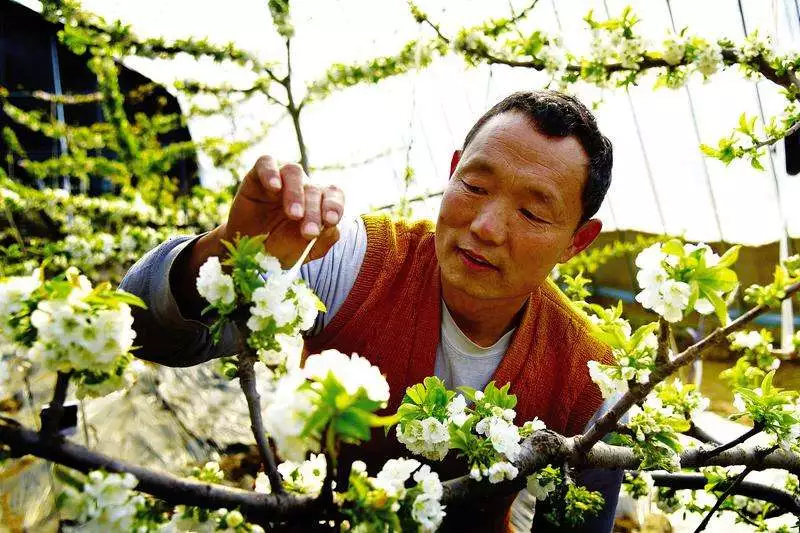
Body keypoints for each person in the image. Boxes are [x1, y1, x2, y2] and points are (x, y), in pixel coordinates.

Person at [120, 90, 621, 532]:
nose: (487, 227)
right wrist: (230, 255)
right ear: (451, 172)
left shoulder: (589, 376)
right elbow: (147, 333)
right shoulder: (351, 260)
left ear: (576, 242)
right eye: (474, 186)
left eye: (532, 212)